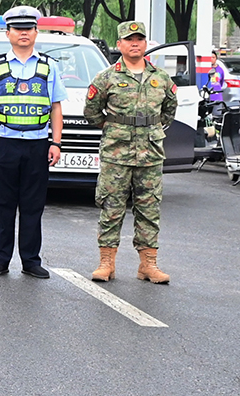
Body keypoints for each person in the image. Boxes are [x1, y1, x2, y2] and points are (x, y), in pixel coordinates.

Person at [83, 20, 179, 284]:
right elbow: (91, 112)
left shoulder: (161, 78)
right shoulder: (106, 78)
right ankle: (106, 263)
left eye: (139, 39)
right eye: (129, 39)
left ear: (145, 44)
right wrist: (115, 128)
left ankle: (148, 265)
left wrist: (152, 131)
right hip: (116, 153)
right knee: (111, 207)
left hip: (150, 154)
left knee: (149, 208)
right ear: (119, 44)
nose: (134, 43)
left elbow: (169, 111)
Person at [0, 5, 66, 279]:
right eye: (18, 29)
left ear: (36, 32)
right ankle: (1, 259)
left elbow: (56, 107)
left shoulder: (49, 66)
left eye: (28, 29)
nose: (23, 33)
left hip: (37, 143)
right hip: (4, 142)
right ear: (8, 33)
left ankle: (31, 260)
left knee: (32, 205)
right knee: (3, 205)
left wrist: (56, 143)